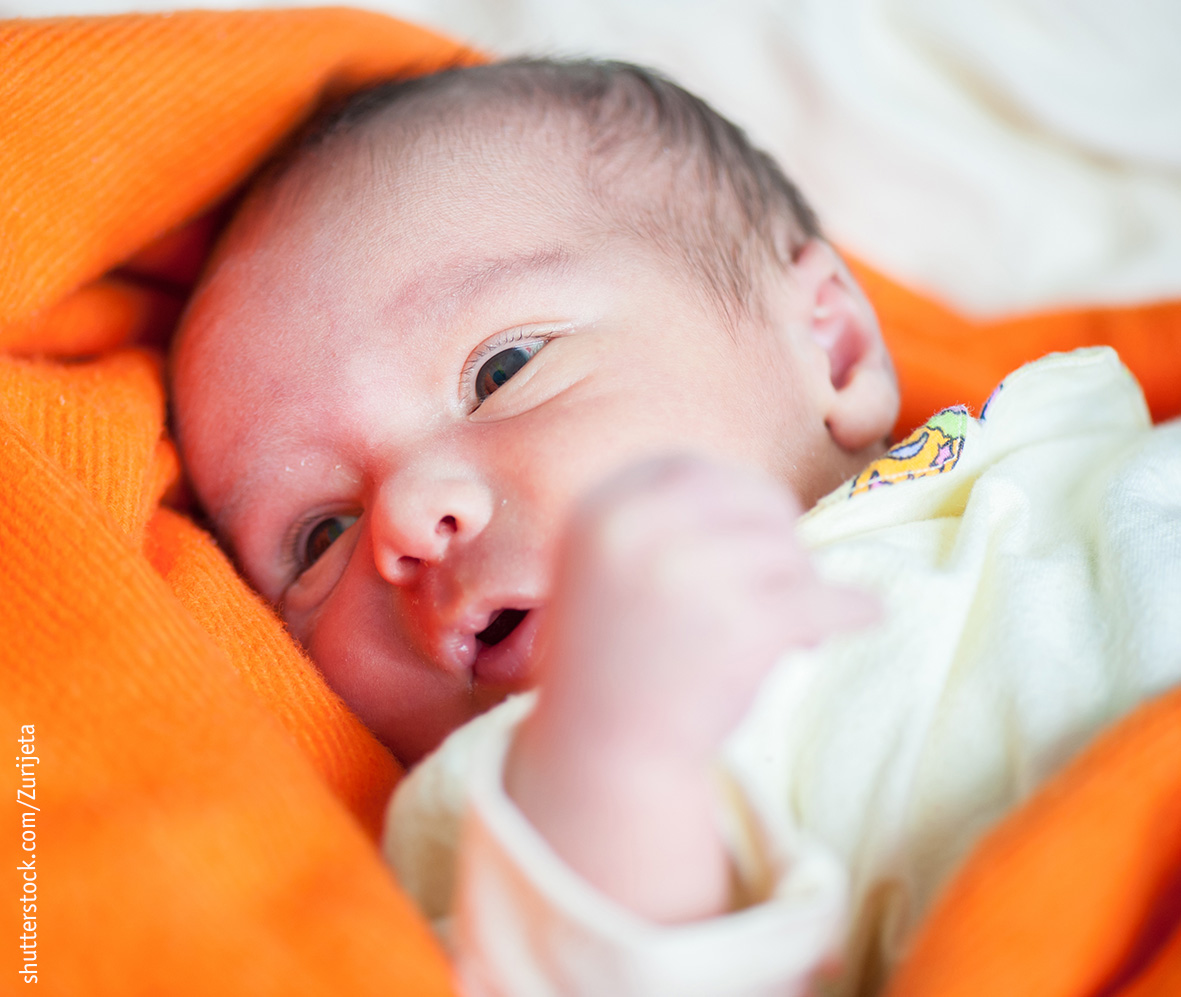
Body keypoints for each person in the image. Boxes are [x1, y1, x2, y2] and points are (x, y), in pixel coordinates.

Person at [170, 59, 1181, 996]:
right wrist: (617, 761)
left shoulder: (1056, 446)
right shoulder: (522, 826)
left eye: (502, 370)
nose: (403, 516)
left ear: (826, 347)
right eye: (317, 537)